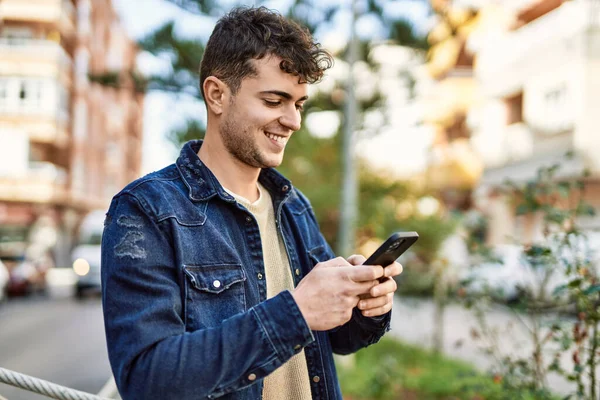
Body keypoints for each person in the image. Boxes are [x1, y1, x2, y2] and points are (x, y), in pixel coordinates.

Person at [101, 6, 403, 400]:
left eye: (298, 103)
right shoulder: (145, 212)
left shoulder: (293, 206)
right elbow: (149, 380)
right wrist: (295, 311)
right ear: (217, 95)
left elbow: (336, 339)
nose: (293, 120)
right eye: (275, 100)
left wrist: (366, 306)